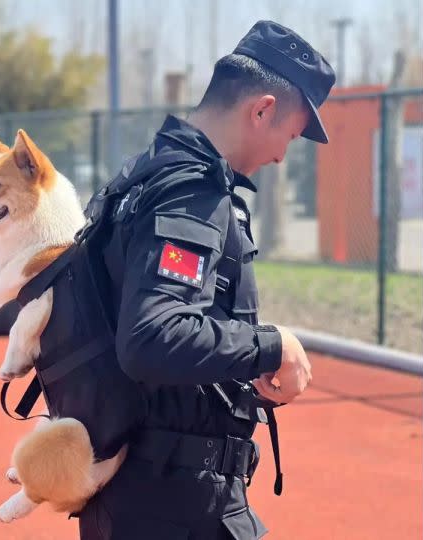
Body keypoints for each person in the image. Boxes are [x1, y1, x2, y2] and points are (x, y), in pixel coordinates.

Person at [77, 20, 336, 539]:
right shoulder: (191, 191)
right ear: (262, 109)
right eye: (289, 134)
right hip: (177, 504)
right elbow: (151, 336)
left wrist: (246, 371)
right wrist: (272, 346)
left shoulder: (144, 173)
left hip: (138, 492)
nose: (283, 155)